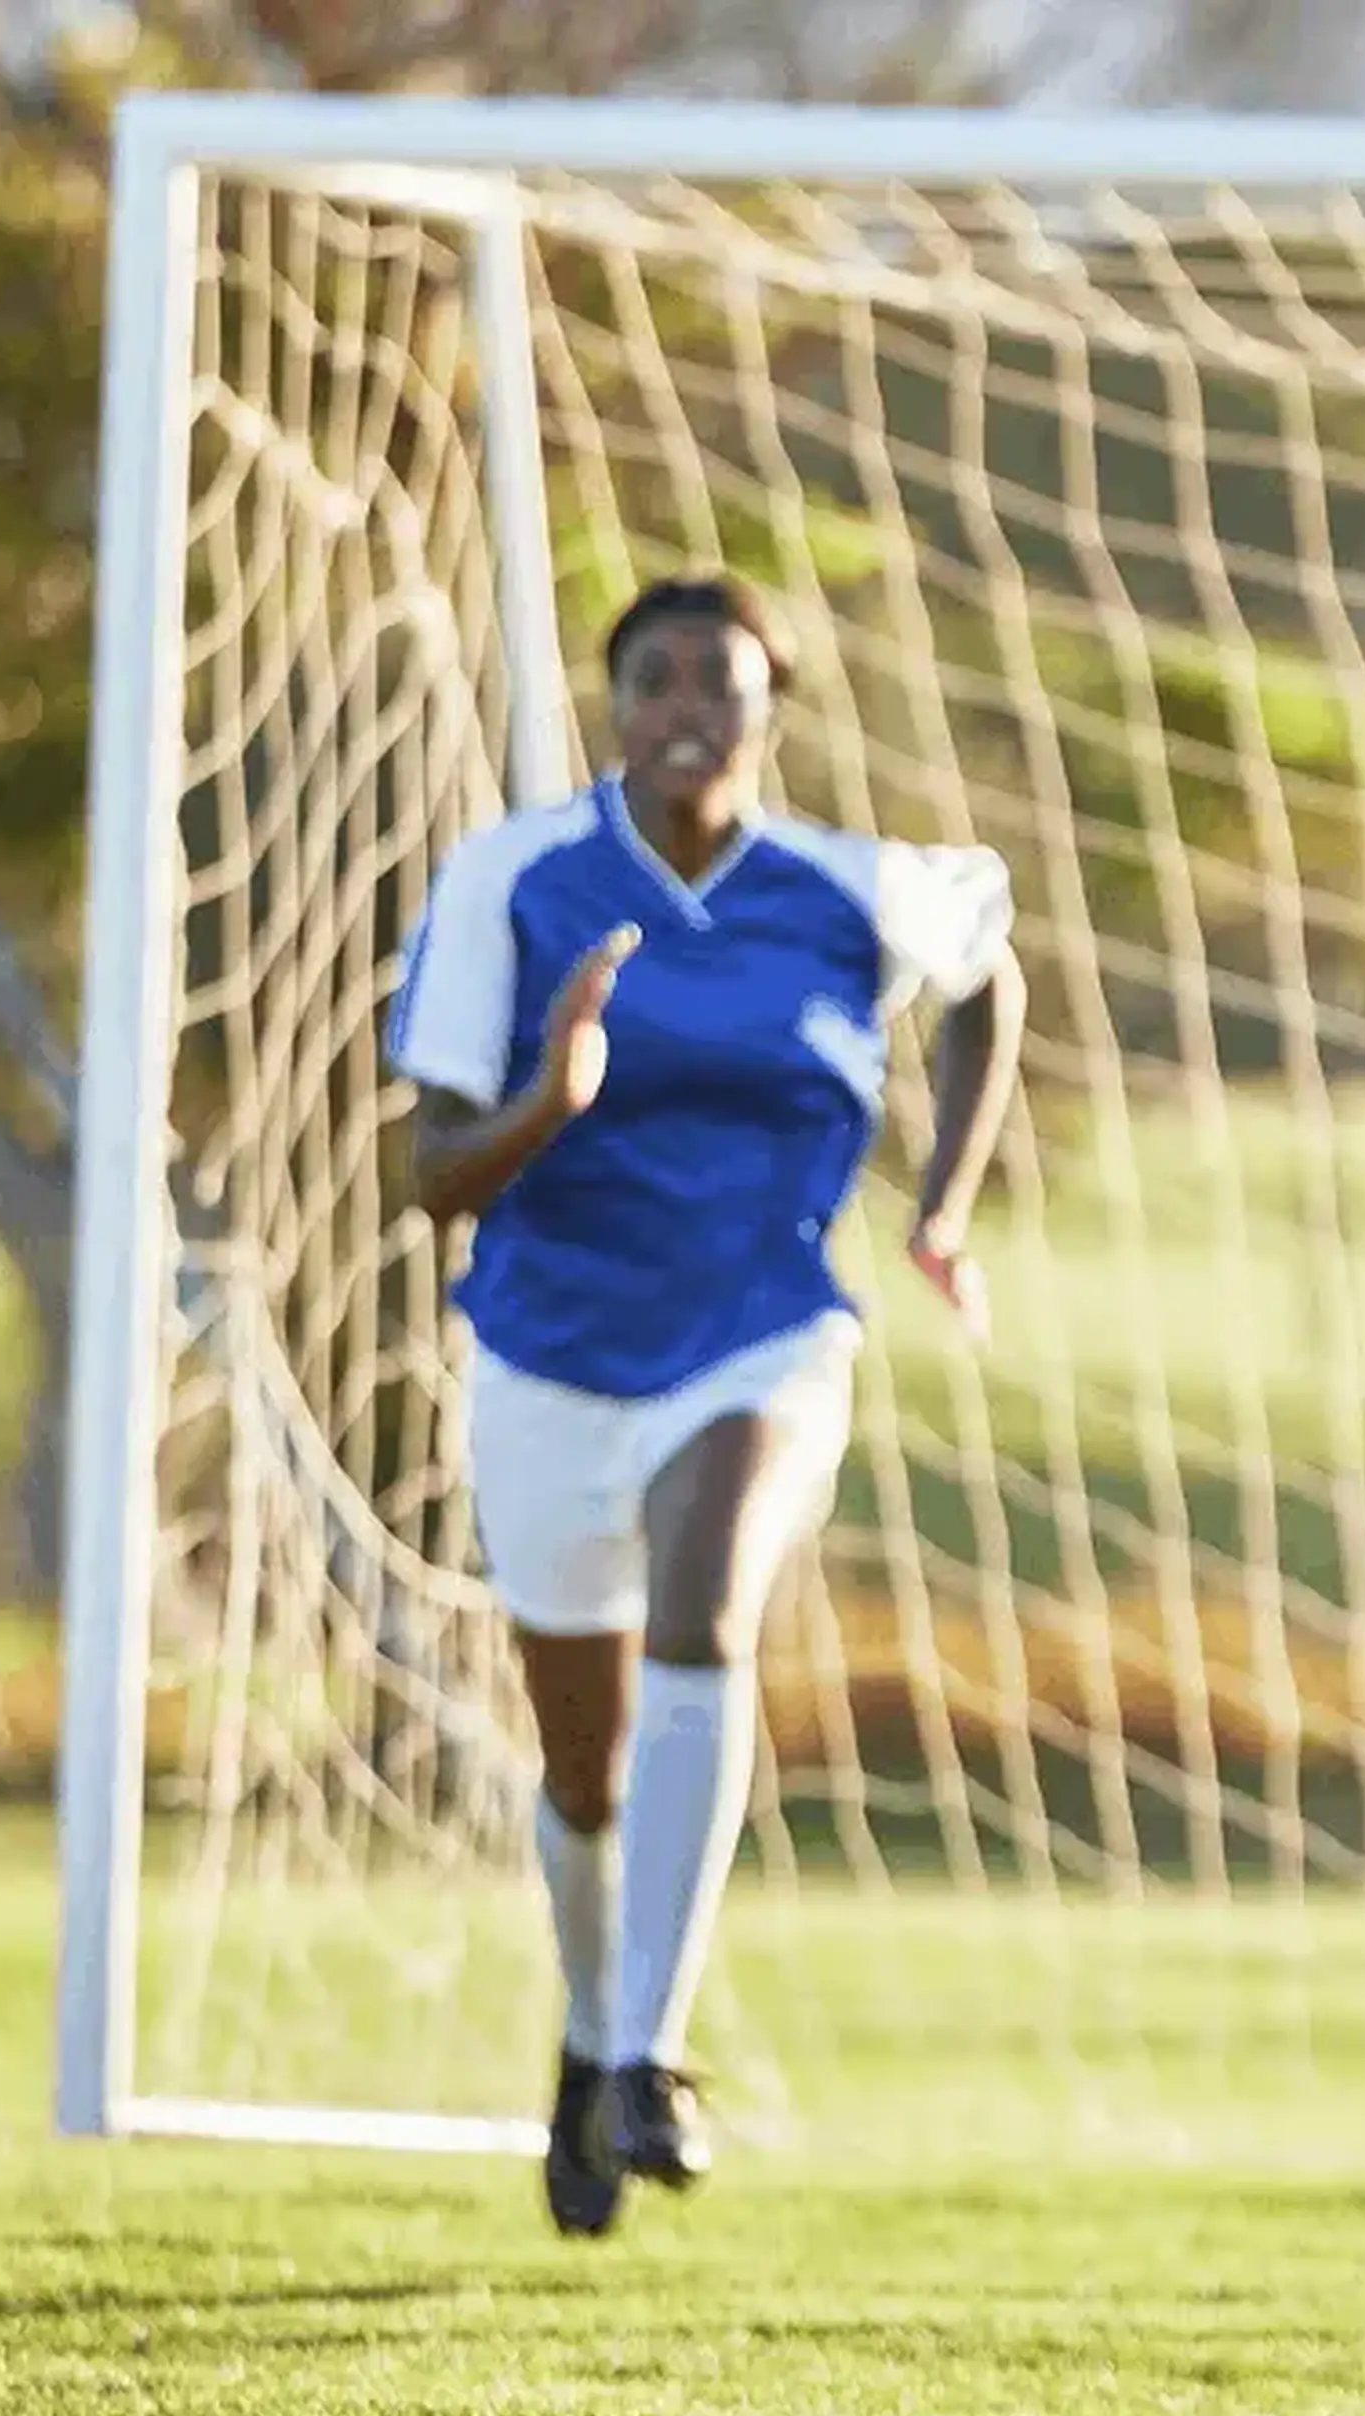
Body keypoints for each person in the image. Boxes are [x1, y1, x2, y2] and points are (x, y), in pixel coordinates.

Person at [388, 575, 1021, 2240]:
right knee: (583, 1772)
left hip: (762, 1336)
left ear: (770, 711)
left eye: (721, 683)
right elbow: (432, 1169)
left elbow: (988, 973)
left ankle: (653, 2059)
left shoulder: (841, 887)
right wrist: (555, 1096)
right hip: (546, 1356)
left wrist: (940, 1203)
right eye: (655, 676)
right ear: (614, 703)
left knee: (708, 1607)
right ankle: (591, 2043)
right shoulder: (511, 879)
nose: (688, 705)